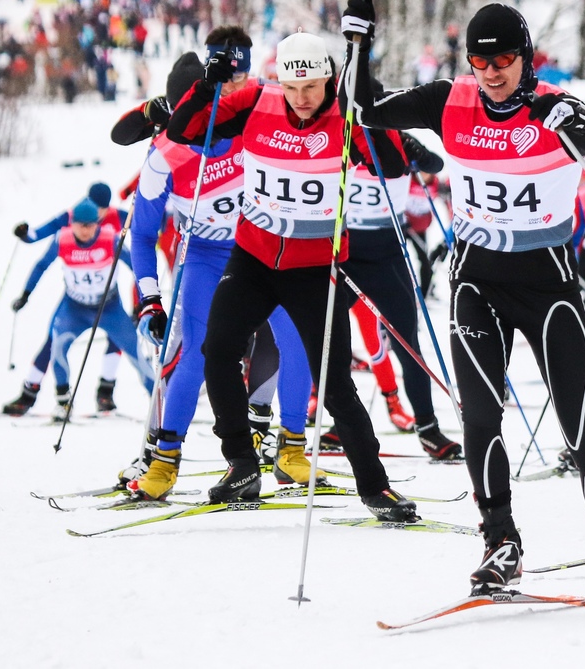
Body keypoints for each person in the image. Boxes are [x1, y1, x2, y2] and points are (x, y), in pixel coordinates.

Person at [349, 0, 585, 607]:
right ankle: (499, 542)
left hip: (548, 290)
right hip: (476, 284)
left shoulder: (554, 106)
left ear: (524, 58)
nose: (492, 70)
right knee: (480, 417)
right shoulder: (450, 100)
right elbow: (366, 107)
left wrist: (579, 126)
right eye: (481, 59)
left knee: (583, 430)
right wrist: (360, 42)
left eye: (504, 58)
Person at [166, 29, 416, 521]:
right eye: (292, 88)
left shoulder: (342, 113)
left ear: (327, 80)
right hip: (254, 258)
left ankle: (376, 488)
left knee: (336, 383)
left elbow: (392, 164)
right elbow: (186, 131)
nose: (301, 100)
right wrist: (206, 89)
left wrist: (362, 100)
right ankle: (241, 464)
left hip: (313, 268)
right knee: (217, 350)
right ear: (279, 79)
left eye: (312, 88)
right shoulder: (257, 100)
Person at [119, 39, 321, 500]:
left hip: (262, 250)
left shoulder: (250, 122)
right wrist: (150, 297)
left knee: (298, 341)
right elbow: (144, 235)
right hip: (207, 258)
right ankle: (164, 462)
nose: (201, 127)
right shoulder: (164, 157)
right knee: (196, 353)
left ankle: (290, 452)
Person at [340, 122, 461, 459]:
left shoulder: (396, 143)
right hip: (344, 254)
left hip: (387, 257)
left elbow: (435, 165)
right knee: (329, 343)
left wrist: (415, 150)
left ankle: (428, 429)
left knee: (409, 344)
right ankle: (340, 424)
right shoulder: (339, 136)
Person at [7, 200, 155, 419]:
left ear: (97, 224)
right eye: (81, 225)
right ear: (72, 223)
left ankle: (160, 403)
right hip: (74, 308)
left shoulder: (110, 240)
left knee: (135, 352)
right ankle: (63, 403)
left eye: (90, 225)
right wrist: (25, 294)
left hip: (109, 308)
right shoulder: (62, 239)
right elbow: (40, 265)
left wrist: (146, 300)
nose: (86, 230)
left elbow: (138, 267)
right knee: (57, 345)